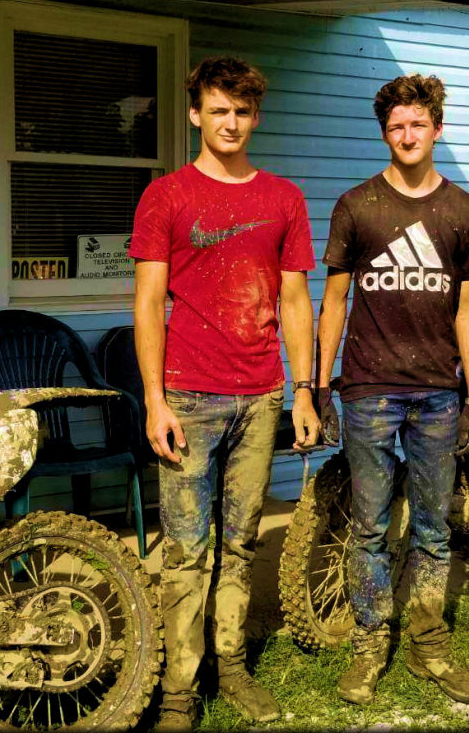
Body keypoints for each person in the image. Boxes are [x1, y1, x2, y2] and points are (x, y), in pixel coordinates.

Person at [130, 56, 320, 731]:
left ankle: (232, 665)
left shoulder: (283, 198)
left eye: (241, 111)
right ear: (195, 115)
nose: (230, 122)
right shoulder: (168, 196)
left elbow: (297, 300)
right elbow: (149, 301)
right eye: (218, 110)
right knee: (185, 550)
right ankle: (180, 691)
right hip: (187, 397)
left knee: (240, 543)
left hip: (262, 395)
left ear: (255, 117)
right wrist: (153, 399)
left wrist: (304, 391)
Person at [314, 73, 469, 706]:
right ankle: (368, 649)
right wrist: (316, 387)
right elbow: (333, 302)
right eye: (395, 127)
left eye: (418, 124)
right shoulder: (357, 206)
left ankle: (428, 647)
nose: (407, 135)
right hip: (367, 391)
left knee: (433, 528)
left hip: (440, 395)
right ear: (384, 134)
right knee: (368, 526)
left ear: (437, 129)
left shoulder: (464, 212)